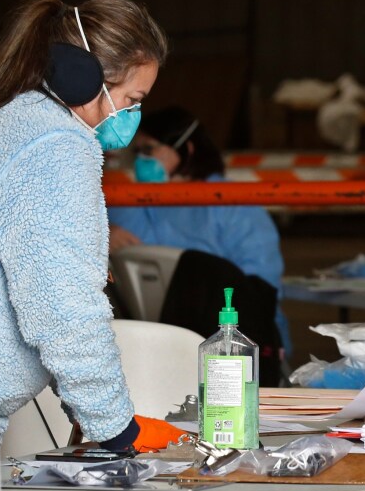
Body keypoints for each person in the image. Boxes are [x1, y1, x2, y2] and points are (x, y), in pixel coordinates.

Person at [0, 0, 186, 452]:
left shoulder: (11, 125)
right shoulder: (55, 148)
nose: (133, 117)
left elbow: (43, 290)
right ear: (88, 79)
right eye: (133, 99)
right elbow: (63, 308)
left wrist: (90, 411)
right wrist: (118, 431)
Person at [106, 106, 293, 384]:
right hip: (155, 345)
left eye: (150, 149)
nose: (140, 160)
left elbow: (258, 293)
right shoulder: (128, 205)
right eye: (138, 152)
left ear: (188, 149)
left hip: (232, 344)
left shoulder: (234, 206)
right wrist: (102, 232)